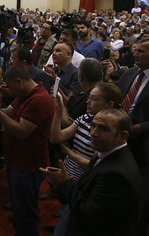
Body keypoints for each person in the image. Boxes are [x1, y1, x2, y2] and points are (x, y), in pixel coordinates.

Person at [40, 108, 144, 236]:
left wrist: (64, 184)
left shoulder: (116, 175)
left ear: (122, 136)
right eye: (93, 126)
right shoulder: (106, 154)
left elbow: (89, 213)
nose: (93, 133)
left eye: (104, 129)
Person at [0, 65, 54, 236]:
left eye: (10, 87)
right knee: (19, 210)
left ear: (19, 81)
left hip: (28, 165)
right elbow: (8, 112)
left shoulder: (39, 99)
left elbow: (21, 131)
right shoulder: (24, 94)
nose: (9, 91)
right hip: (16, 161)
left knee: (27, 213)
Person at [47, 82, 122, 236]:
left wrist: (69, 151)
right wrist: (58, 111)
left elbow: (93, 164)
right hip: (69, 176)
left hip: (84, 183)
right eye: (89, 97)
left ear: (109, 105)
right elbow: (56, 137)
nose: (88, 102)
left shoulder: (108, 134)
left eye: (94, 99)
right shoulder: (85, 117)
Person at [117, 37, 149, 235]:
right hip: (121, 141)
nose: (135, 54)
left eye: (141, 52)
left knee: (144, 198)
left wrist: (142, 127)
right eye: (135, 51)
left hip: (147, 147)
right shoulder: (129, 73)